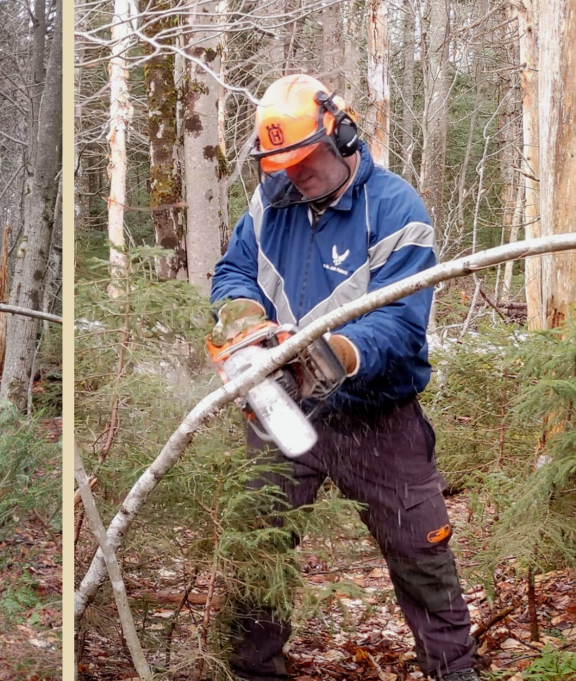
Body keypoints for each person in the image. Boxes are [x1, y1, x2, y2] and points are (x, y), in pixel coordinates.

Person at [210, 74, 477, 681]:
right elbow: (232, 272)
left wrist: (332, 354)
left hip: (378, 416)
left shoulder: (396, 209)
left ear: (344, 135)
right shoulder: (269, 201)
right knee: (256, 556)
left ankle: (453, 674)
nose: (295, 175)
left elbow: (401, 324)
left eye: (306, 160)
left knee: (422, 558)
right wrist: (242, 316)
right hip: (283, 411)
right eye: (284, 163)